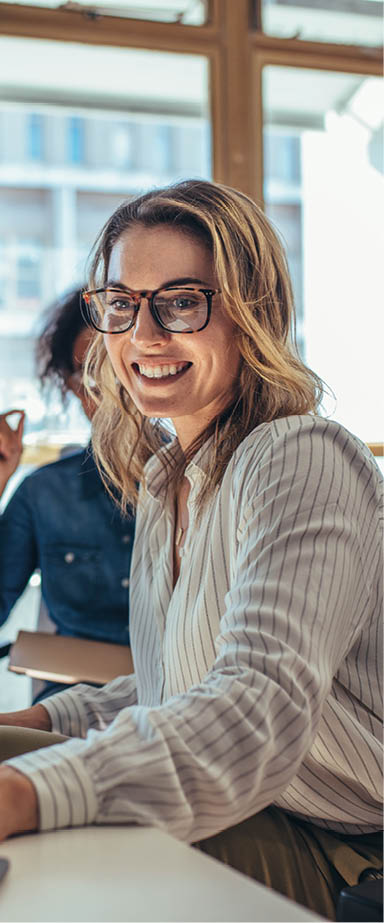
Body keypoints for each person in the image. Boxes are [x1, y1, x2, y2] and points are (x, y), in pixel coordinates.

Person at [0, 180, 381, 920]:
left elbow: (254, 704)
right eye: (121, 303)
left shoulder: (301, 455)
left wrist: (27, 786)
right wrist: (37, 728)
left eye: (181, 301)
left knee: (56, 851)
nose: (143, 336)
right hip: (254, 799)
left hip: (337, 834)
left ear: (251, 313)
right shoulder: (166, 473)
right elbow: (172, 684)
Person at [0, 288, 134, 702]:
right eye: (89, 374)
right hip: (69, 709)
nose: (109, 388)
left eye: (118, 366)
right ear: (71, 387)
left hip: (177, 706)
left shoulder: (202, 483)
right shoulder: (43, 494)